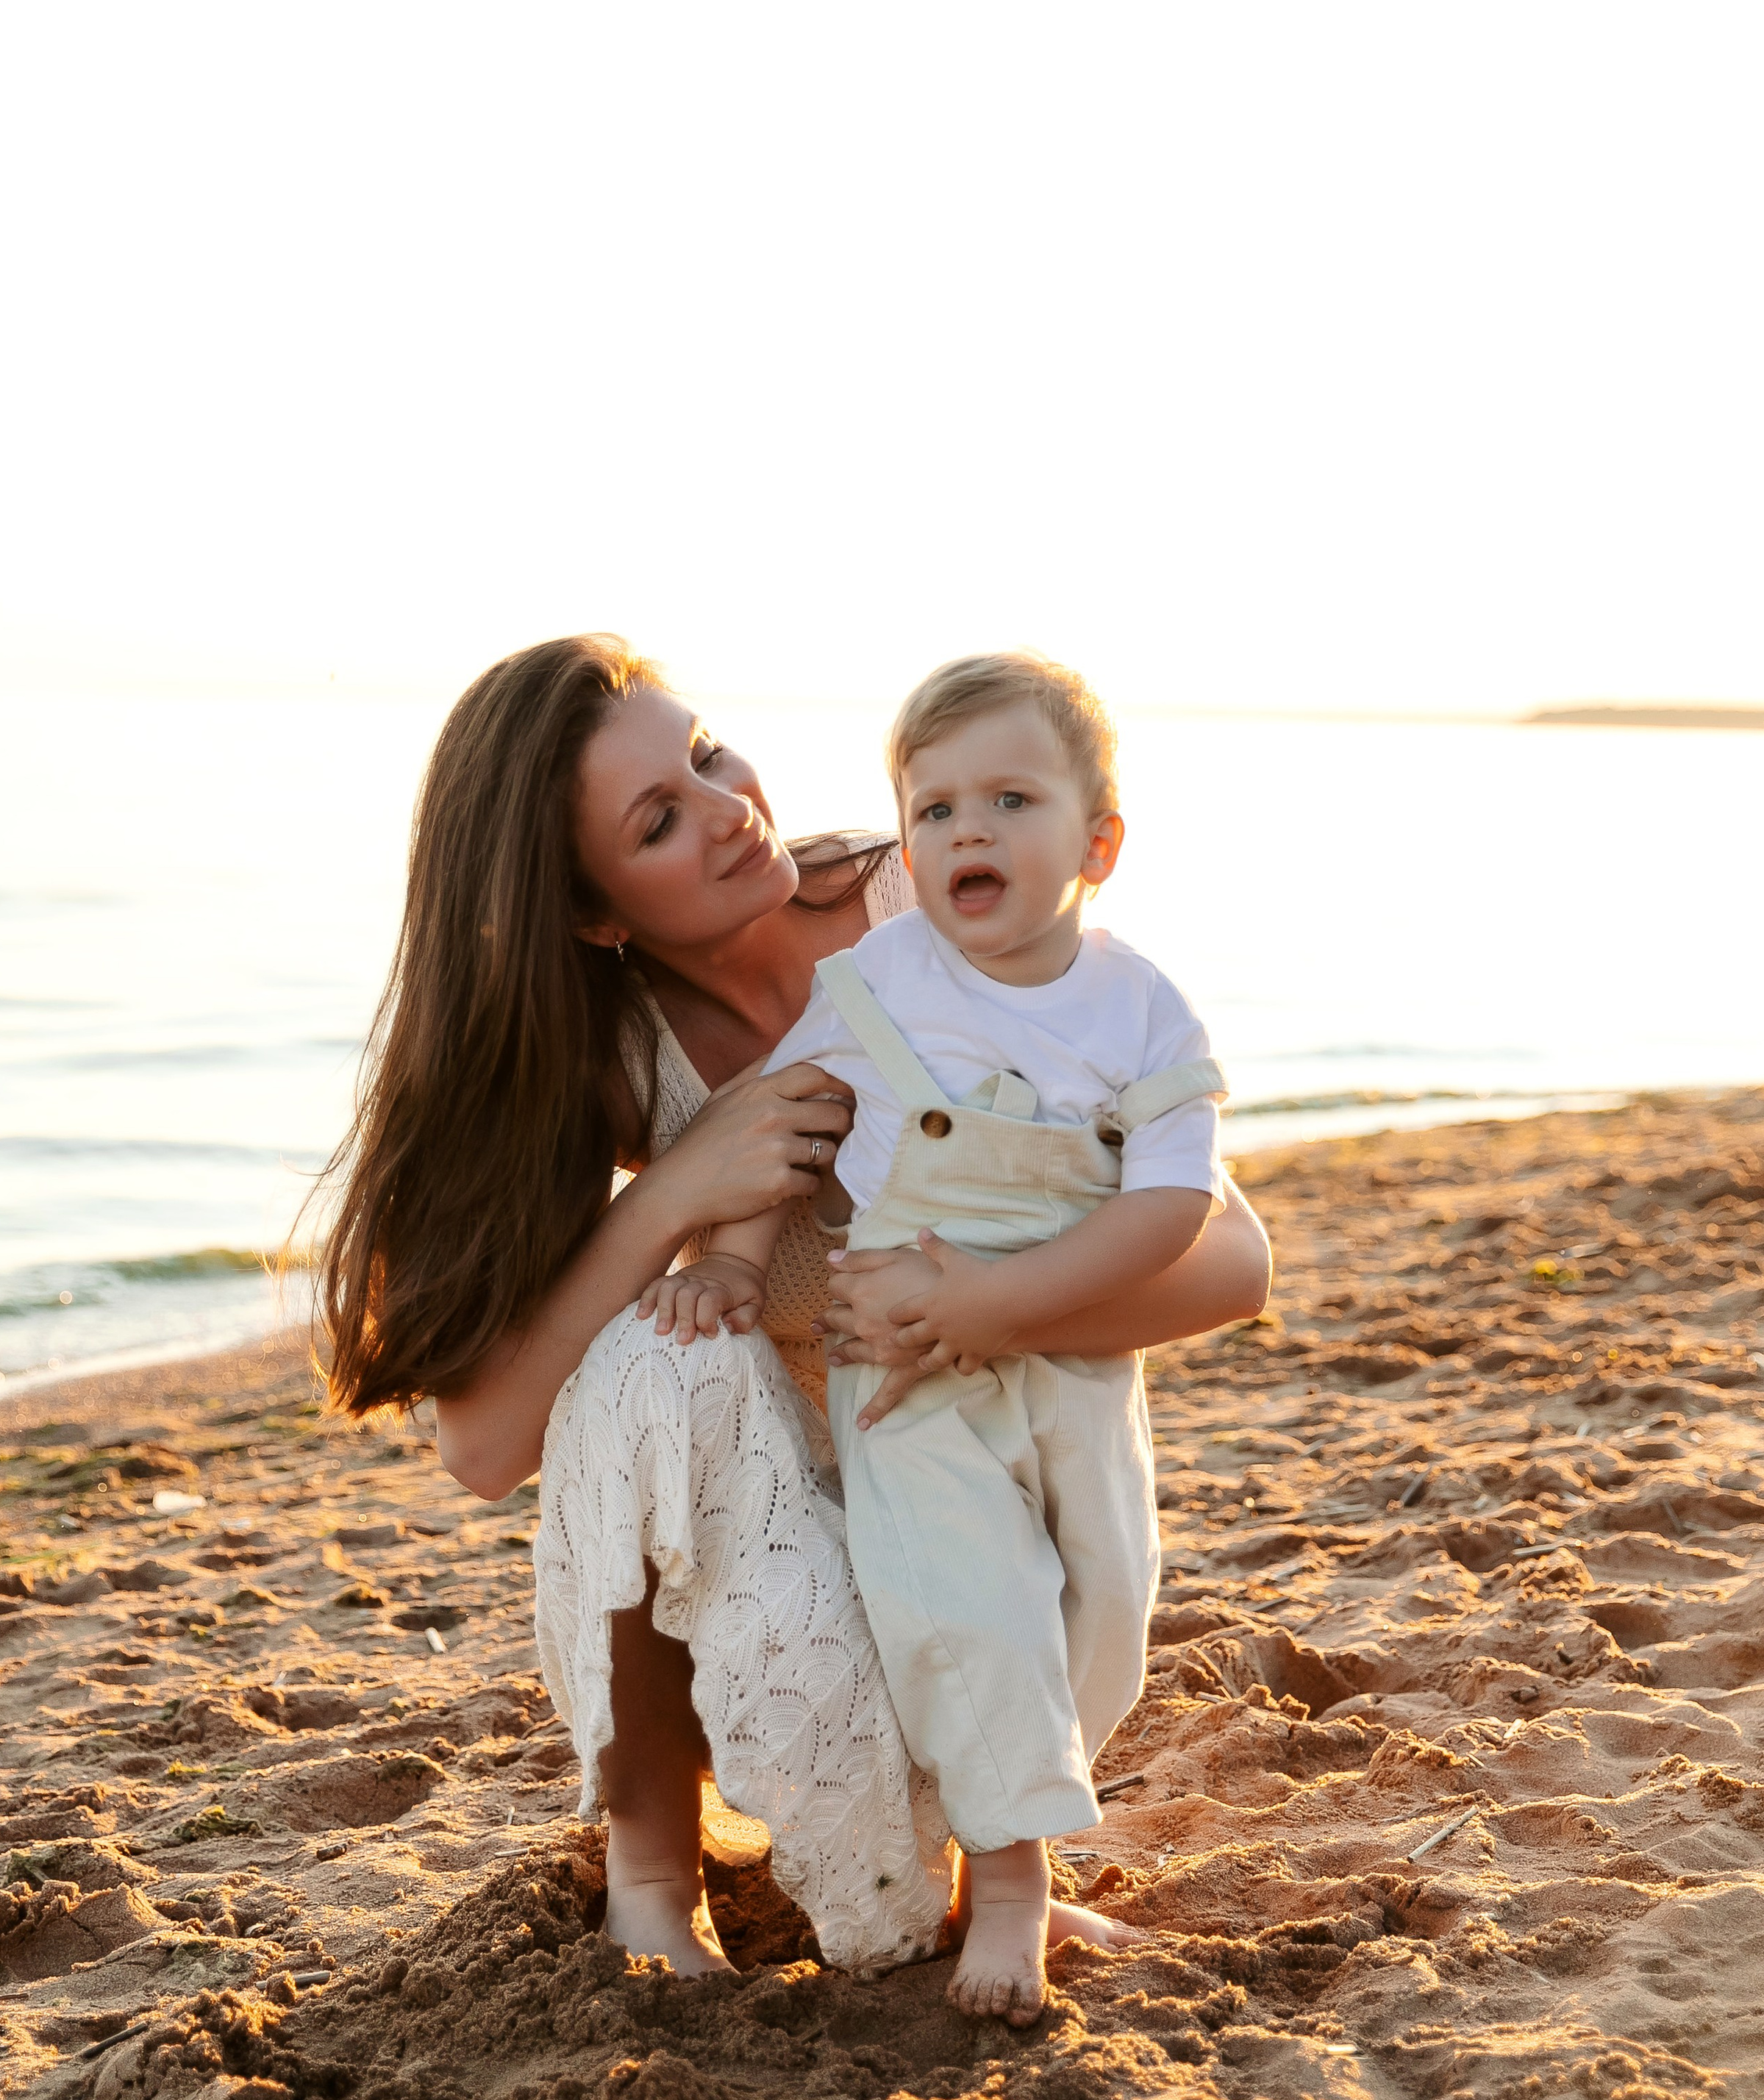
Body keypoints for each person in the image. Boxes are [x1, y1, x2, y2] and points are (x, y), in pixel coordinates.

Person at [315, 635, 1273, 1988]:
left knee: (988, 1583)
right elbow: (483, 1449)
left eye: (707, 753)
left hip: (979, 1437)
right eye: (660, 821)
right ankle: (655, 1879)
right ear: (593, 914)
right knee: (655, 1361)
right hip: (785, 1506)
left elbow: (1236, 1265)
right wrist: (671, 1197)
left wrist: (979, 1314)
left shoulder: (935, 905)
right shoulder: (606, 1045)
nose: (728, 810)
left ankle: (1000, 1856)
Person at [637, 654, 1221, 2022]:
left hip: (1069, 1351)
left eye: (1009, 799)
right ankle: (1007, 1886)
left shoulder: (1142, 1010)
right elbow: (790, 1119)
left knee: (1106, 1603)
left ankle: (1011, 1828)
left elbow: (1180, 1206)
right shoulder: (883, 973)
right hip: (906, 1377)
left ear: (1099, 841)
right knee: (973, 1607)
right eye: (936, 807)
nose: (968, 831)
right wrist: (724, 1264)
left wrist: (1003, 1306)